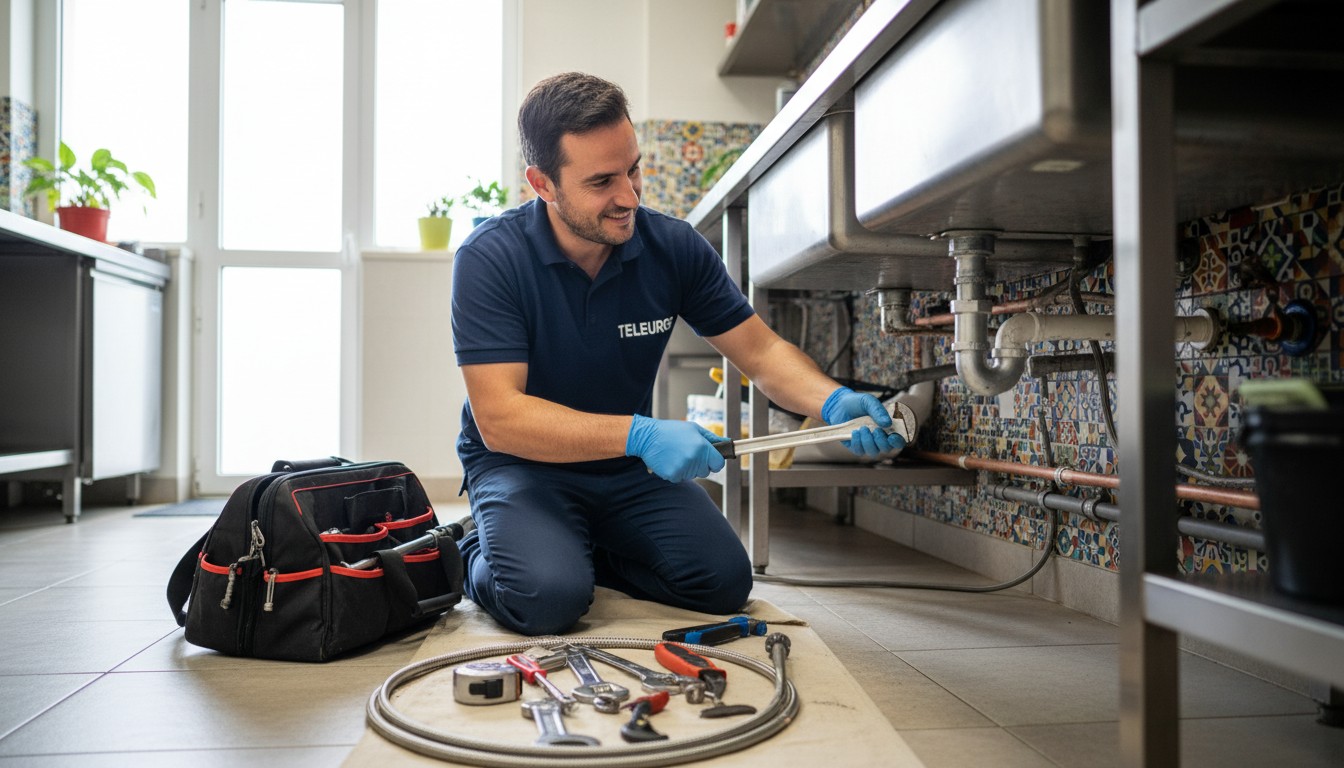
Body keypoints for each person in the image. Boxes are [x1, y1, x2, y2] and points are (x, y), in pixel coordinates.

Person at [450, 72, 904, 636]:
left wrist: (833, 401)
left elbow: (760, 352)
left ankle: (578, 553)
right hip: (523, 464)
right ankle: (478, 549)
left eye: (634, 168)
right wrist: (641, 434)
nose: (629, 196)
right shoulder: (490, 260)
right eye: (601, 181)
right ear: (543, 183)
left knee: (719, 584)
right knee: (547, 600)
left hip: (625, 470)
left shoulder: (672, 247)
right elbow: (500, 418)